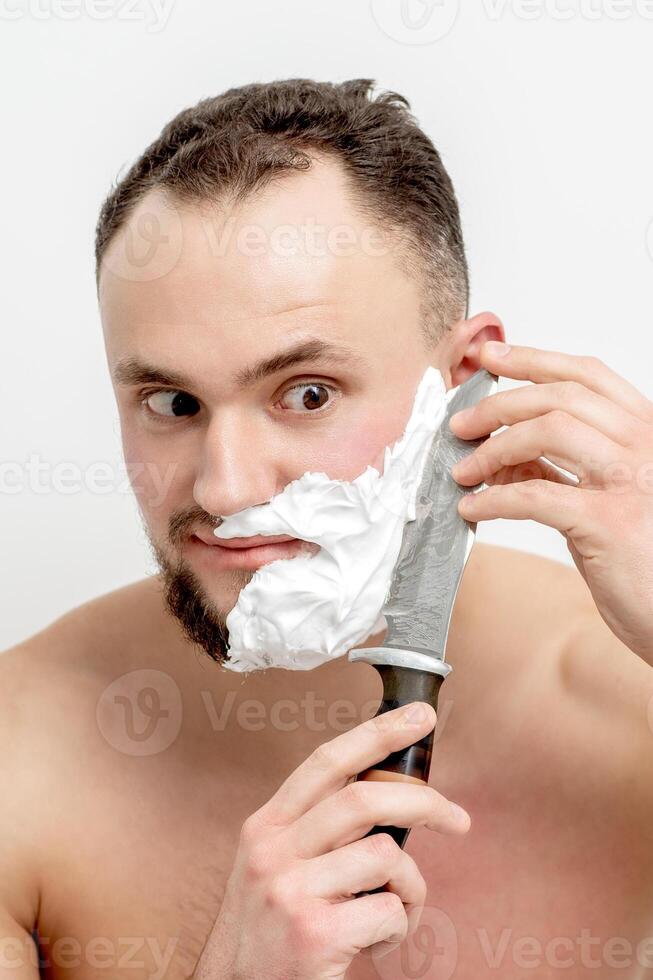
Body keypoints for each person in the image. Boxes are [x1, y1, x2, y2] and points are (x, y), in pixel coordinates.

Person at [2, 78, 653, 980]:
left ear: (462, 382)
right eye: (171, 401)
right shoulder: (17, 755)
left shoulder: (634, 714)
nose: (225, 486)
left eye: (306, 394)